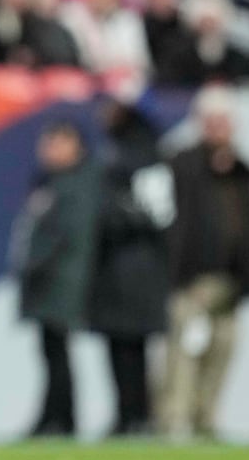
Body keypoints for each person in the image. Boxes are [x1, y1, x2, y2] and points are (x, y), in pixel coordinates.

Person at [158, 87, 249, 441]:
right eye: (213, 120)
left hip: (232, 282)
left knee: (223, 348)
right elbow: (168, 219)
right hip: (192, 280)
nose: (219, 128)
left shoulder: (244, 169)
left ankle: (206, 417)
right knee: (185, 349)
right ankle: (174, 419)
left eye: (224, 120)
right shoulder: (182, 164)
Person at [11, 119, 102, 437]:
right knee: (51, 351)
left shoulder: (77, 182)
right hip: (49, 279)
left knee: (58, 351)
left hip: (61, 279)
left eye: (56, 141)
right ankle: (55, 416)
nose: (48, 149)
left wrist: (34, 262)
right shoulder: (50, 181)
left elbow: (65, 233)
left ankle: (60, 418)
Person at [85, 101, 172, 437]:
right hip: (123, 270)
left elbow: (158, 216)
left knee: (130, 349)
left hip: (135, 269)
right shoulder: (125, 155)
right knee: (124, 349)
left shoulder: (142, 160)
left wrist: (115, 213)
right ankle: (129, 415)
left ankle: (135, 415)